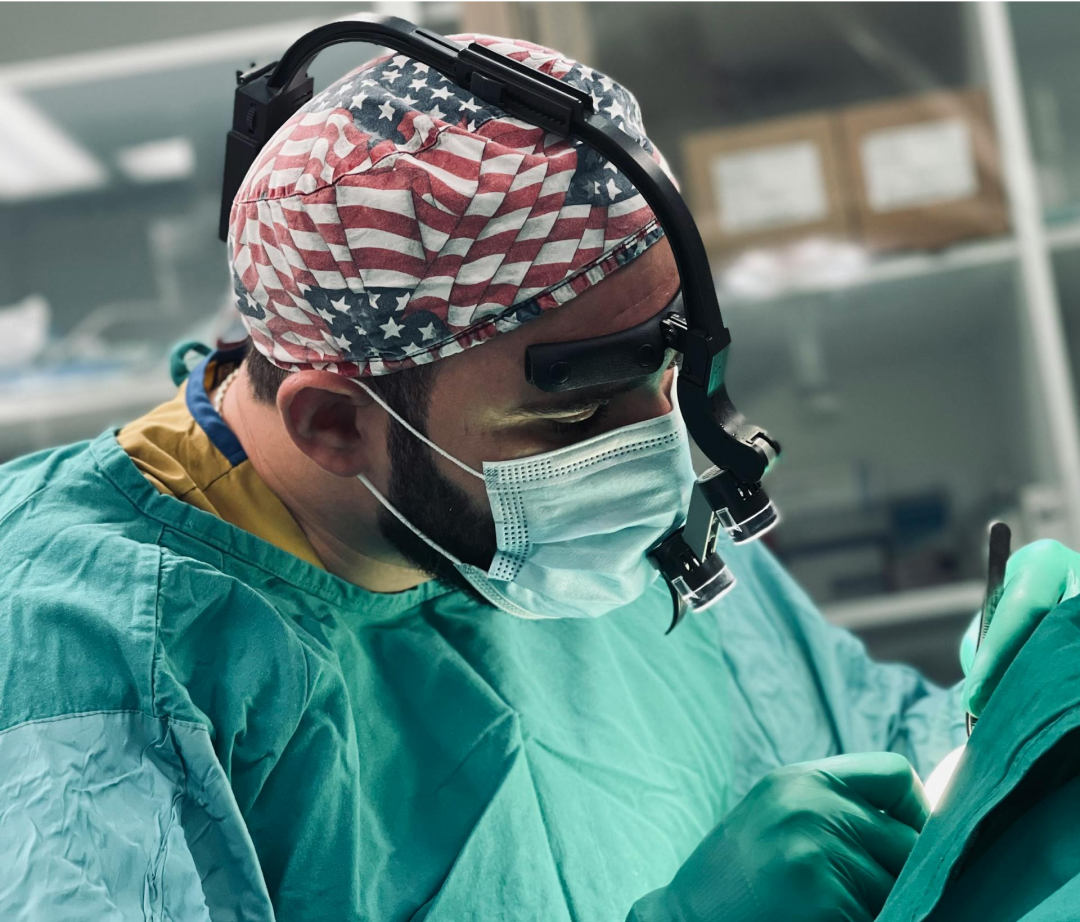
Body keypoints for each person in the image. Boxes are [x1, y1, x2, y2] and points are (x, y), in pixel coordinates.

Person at [0, 32, 1075, 922]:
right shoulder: (79, 667)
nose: (652, 447)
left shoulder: (599, 537)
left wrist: (1030, 704)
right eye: (572, 406)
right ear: (333, 421)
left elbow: (886, 771)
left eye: (671, 368)